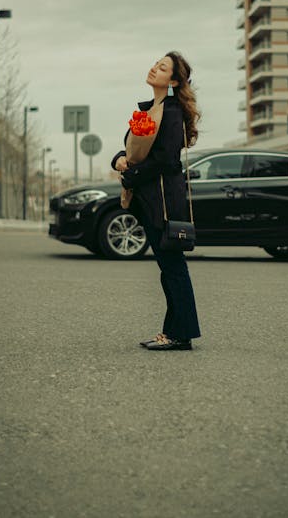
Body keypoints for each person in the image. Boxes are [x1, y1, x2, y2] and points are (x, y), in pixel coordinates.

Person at [111, 51, 201, 351]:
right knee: (169, 269)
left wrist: (131, 176)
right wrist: (120, 160)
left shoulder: (171, 112)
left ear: (173, 80)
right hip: (151, 200)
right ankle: (175, 332)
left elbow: (165, 160)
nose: (154, 69)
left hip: (164, 201)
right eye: (155, 64)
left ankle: (180, 334)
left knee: (173, 268)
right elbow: (130, 147)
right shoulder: (152, 108)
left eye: (162, 68)